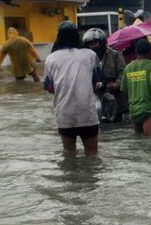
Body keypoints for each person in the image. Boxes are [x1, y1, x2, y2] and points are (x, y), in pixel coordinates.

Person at [43, 21, 102, 156]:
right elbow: (97, 81)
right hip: (87, 114)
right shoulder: (90, 55)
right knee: (92, 154)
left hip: (64, 115)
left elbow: (49, 88)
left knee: (69, 155)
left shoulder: (50, 59)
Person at [82, 28, 127, 121]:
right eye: (90, 43)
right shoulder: (85, 59)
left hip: (116, 99)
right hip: (95, 100)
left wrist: (115, 84)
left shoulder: (115, 55)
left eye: (95, 42)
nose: (93, 46)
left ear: (101, 42)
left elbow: (123, 73)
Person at [121, 39, 151, 136]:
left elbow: (123, 90)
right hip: (148, 110)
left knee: (139, 143)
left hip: (134, 110)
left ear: (136, 52)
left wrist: (131, 104)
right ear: (149, 51)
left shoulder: (128, 67)